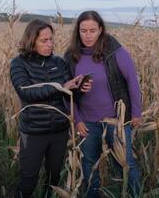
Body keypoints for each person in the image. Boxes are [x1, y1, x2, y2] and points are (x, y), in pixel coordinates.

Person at [64, 11, 142, 197]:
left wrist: (136, 113)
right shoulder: (70, 56)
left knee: (125, 164)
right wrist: (77, 120)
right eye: (84, 30)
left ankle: (135, 194)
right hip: (87, 122)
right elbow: (67, 93)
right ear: (78, 31)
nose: (88, 35)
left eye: (93, 30)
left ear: (100, 30)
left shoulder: (116, 52)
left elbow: (132, 82)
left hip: (116, 120)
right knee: (89, 164)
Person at [10, 19, 91, 198]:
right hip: (33, 132)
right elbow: (26, 92)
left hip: (59, 131)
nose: (49, 44)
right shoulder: (18, 64)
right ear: (32, 41)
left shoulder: (59, 62)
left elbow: (67, 96)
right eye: (44, 41)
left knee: (53, 179)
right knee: (28, 180)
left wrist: (79, 89)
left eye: (51, 40)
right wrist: (61, 86)